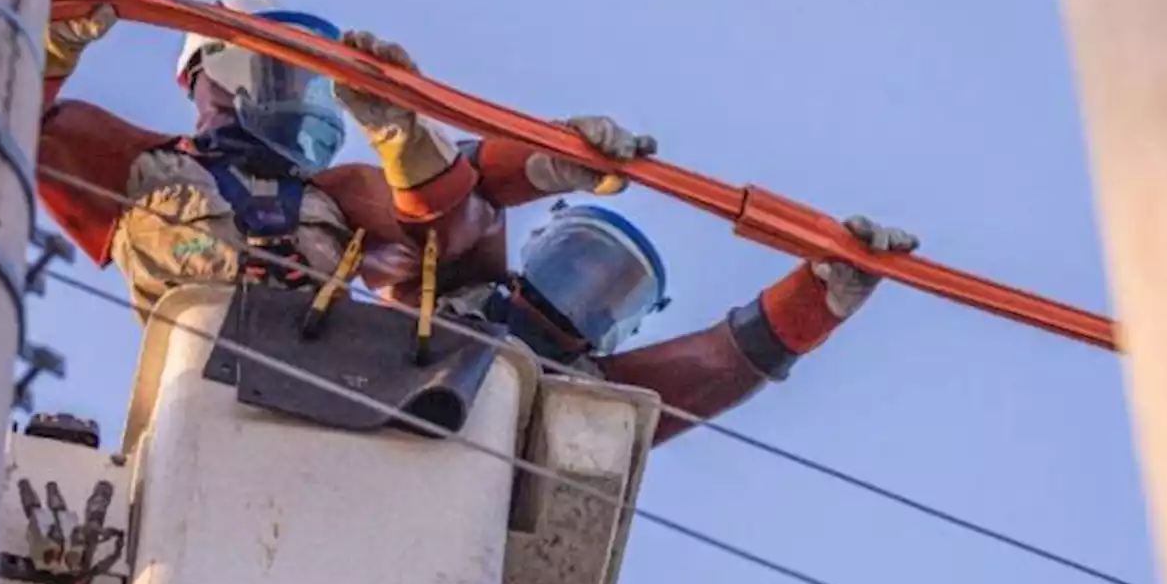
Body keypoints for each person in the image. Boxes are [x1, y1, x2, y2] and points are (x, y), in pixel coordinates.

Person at [37, 0, 657, 317]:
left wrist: (542, 161)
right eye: (282, 71)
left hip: (323, 404)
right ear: (217, 73)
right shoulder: (139, 170)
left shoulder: (337, 200)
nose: (298, 93)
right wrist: (53, 42)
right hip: (192, 404)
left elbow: (454, 230)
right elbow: (13, 126)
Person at [384, 201, 919, 445]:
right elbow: (458, 207)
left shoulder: (590, 394)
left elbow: (720, 363)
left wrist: (821, 295)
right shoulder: (454, 292)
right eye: (577, 264)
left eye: (611, 289)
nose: (585, 290)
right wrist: (543, 163)